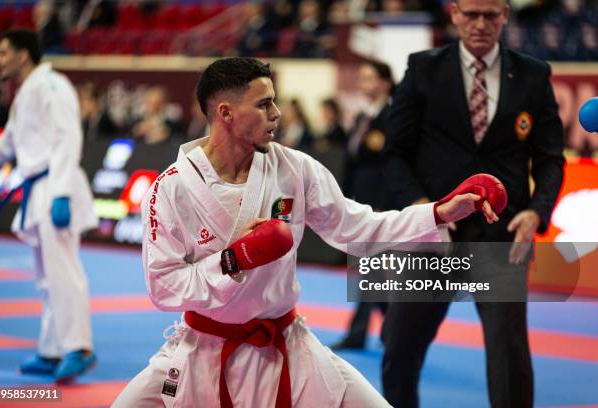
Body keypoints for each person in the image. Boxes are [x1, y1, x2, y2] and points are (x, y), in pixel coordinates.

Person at [112, 57, 499, 408]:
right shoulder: (170, 189)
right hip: (203, 349)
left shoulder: (295, 169)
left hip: (287, 345)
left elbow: (358, 228)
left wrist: (436, 213)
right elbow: (163, 287)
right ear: (226, 113)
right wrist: (233, 259)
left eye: (274, 101)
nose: (277, 113)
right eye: (264, 104)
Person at [380, 0, 565, 407]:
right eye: (472, 14)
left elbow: (550, 158)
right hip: (432, 235)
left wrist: (537, 212)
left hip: (502, 236)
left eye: (491, 15)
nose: (480, 24)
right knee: (400, 350)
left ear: (505, 16)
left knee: (510, 358)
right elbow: (394, 153)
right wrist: (422, 209)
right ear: (455, 14)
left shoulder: (534, 74)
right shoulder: (422, 68)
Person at [0, 29, 99, 382]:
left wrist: (63, 192)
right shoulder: (25, 94)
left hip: (55, 184)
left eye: (4, 53)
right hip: (40, 187)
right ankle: (52, 350)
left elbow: (69, 137)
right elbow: (7, 144)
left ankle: (79, 347)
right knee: (47, 278)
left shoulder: (53, 86)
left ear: (23, 55)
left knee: (63, 271)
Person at [332, 60, 396, 350]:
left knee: (372, 269)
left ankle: (364, 332)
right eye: (362, 78)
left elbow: (395, 160)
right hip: (360, 200)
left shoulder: (393, 115)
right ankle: (392, 328)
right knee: (372, 271)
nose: (364, 84)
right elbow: (352, 161)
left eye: (370, 78)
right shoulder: (362, 118)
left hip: (382, 203)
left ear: (385, 82)